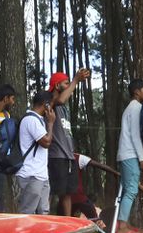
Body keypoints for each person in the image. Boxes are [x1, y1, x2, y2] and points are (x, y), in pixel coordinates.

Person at [48, 68, 91, 216]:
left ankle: (67, 222)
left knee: (67, 193)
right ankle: (43, 220)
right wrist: (75, 80)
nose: (70, 87)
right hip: (56, 156)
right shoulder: (51, 101)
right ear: (57, 85)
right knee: (53, 191)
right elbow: (59, 99)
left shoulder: (65, 108)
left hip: (68, 156)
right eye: (66, 83)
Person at [115, 78, 143, 233]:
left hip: (125, 153)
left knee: (126, 189)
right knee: (131, 190)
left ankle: (122, 221)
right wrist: (142, 158)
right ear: (136, 92)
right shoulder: (136, 108)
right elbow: (135, 135)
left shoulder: (130, 108)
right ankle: (121, 227)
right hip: (130, 154)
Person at [15, 91, 56, 214]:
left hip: (40, 174)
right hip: (31, 174)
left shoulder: (39, 120)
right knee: (28, 211)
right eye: (51, 105)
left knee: (43, 211)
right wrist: (51, 123)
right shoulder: (31, 120)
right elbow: (46, 142)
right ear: (46, 105)